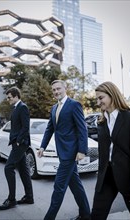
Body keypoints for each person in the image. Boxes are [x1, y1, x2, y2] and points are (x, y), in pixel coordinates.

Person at [91, 81, 130, 220]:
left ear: (112, 95)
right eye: (97, 99)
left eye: (101, 98)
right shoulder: (102, 121)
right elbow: (103, 152)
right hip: (106, 176)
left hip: (128, 177)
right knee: (97, 215)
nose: (98, 102)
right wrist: (100, 174)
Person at [37, 80, 90, 220]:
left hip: (71, 153)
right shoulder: (54, 108)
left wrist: (82, 150)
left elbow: (82, 129)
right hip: (62, 152)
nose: (56, 92)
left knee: (59, 187)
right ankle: (86, 214)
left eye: (58, 89)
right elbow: (50, 129)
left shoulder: (74, 105)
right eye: (53, 90)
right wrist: (42, 146)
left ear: (65, 88)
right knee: (76, 186)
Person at [0, 87, 34, 210]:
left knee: (8, 168)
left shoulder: (22, 107)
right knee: (23, 170)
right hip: (17, 143)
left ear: (16, 96)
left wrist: (18, 141)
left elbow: (25, 127)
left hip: (20, 144)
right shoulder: (16, 108)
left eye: (9, 97)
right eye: (7, 98)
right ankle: (29, 197)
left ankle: (11, 199)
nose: (8, 100)